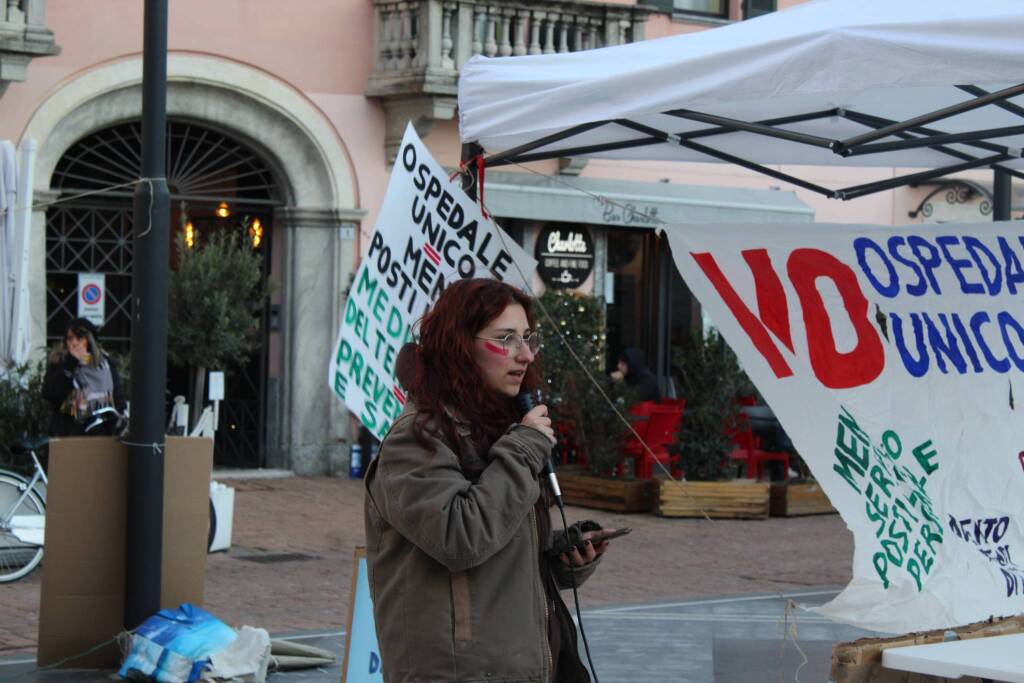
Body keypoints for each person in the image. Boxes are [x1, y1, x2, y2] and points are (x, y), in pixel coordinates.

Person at [364, 278, 614, 683]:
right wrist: (525, 448)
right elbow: (460, 537)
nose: (526, 354)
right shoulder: (417, 438)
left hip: (525, 664)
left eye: (528, 338)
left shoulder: (500, 429)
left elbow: (498, 549)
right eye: (507, 339)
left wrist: (559, 559)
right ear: (461, 345)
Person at [42, 318, 126, 436]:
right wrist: (70, 363)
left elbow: (118, 398)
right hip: (69, 433)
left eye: (79, 338)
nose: (74, 343)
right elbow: (50, 393)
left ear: (90, 341)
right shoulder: (60, 363)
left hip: (101, 433)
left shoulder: (104, 364)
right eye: (70, 338)